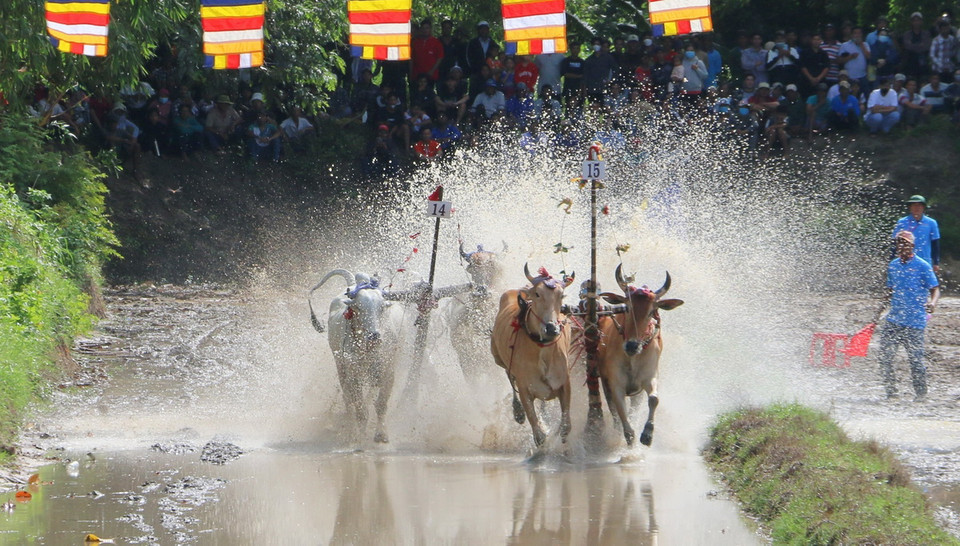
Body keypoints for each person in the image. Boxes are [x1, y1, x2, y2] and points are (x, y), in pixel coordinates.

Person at [873, 230, 940, 400]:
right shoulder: (893, 266)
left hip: (915, 321)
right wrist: (878, 312)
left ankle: (921, 394)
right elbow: (889, 291)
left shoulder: (923, 266)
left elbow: (935, 289)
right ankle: (891, 392)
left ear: (912, 246)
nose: (902, 246)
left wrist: (932, 303)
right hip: (894, 319)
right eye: (899, 243)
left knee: (915, 360)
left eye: (905, 243)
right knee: (885, 356)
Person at [892, 195, 941, 273]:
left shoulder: (931, 223)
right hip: (905, 261)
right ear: (910, 207)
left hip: (924, 260)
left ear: (923, 207)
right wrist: (892, 259)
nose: (917, 208)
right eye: (914, 205)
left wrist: (936, 262)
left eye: (919, 205)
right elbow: (895, 242)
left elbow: (935, 243)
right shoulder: (902, 222)